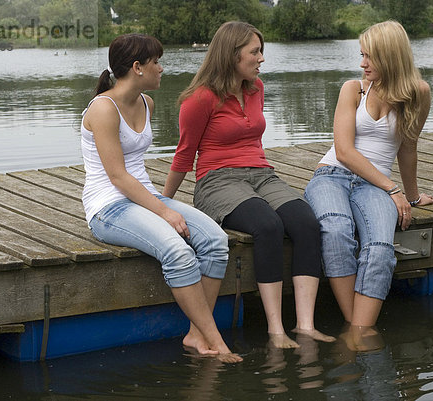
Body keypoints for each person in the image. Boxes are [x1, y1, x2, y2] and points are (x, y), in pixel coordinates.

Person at [163, 21, 334, 348]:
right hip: (217, 180)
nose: (261, 59)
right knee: (267, 225)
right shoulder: (199, 99)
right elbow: (184, 157)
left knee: (306, 222)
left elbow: (251, 138)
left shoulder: (256, 88)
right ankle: (276, 330)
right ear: (231, 55)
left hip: (261, 174)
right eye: (255, 52)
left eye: (261, 51)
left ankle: (306, 325)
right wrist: (163, 205)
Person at [81, 33, 242, 363]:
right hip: (107, 207)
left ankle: (197, 335)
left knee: (215, 240)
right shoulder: (102, 109)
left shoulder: (146, 103)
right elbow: (117, 176)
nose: (162, 68)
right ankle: (216, 340)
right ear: (138, 67)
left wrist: (160, 205)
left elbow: (135, 175)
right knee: (177, 251)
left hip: (143, 197)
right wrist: (164, 212)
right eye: (156, 62)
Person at [304, 20, 433, 347]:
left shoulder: (418, 93)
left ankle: (357, 333)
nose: (362, 64)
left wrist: (414, 196)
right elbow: (345, 152)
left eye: (369, 57)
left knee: (379, 248)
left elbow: (408, 148)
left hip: (374, 186)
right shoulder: (353, 89)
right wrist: (394, 190)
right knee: (336, 231)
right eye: (361, 55)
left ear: (391, 57)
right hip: (332, 175)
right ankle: (356, 331)